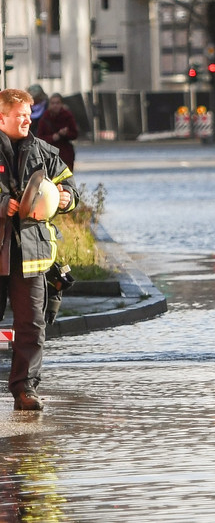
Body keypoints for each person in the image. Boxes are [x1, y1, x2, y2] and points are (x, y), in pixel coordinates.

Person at [0, 88, 80, 411]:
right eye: (19, 115)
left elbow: (70, 186)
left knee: (32, 325)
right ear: (2, 116)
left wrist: (66, 198)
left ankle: (25, 389)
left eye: (28, 115)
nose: (25, 120)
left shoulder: (44, 151)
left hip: (32, 254)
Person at [35, 94, 79, 170]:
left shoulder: (67, 116)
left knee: (66, 180)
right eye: (53, 103)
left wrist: (65, 134)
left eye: (57, 103)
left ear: (61, 104)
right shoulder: (45, 118)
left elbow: (74, 134)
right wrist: (52, 138)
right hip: (49, 156)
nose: (55, 106)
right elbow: (39, 138)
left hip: (66, 155)